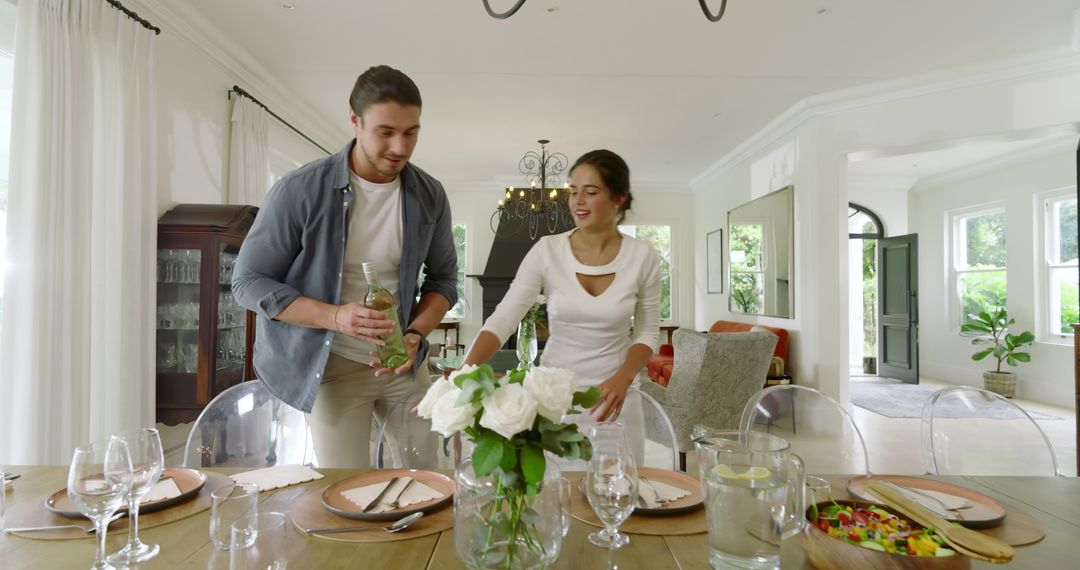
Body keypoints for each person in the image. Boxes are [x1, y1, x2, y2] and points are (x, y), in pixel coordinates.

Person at [232, 65, 457, 468]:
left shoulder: (429, 195)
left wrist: (415, 334)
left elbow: (444, 280)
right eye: (385, 132)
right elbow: (248, 281)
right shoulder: (299, 190)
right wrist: (336, 317)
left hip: (403, 362)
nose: (400, 147)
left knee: (427, 483)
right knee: (343, 491)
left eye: (411, 132)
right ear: (355, 121)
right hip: (329, 363)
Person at [462, 149, 661, 457]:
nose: (577, 201)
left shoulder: (642, 255)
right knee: (558, 498)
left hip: (615, 402)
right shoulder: (547, 251)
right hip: (555, 401)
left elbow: (648, 334)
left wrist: (622, 379)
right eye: (572, 191)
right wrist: (466, 369)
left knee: (618, 494)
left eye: (590, 192)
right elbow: (503, 319)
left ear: (618, 198)